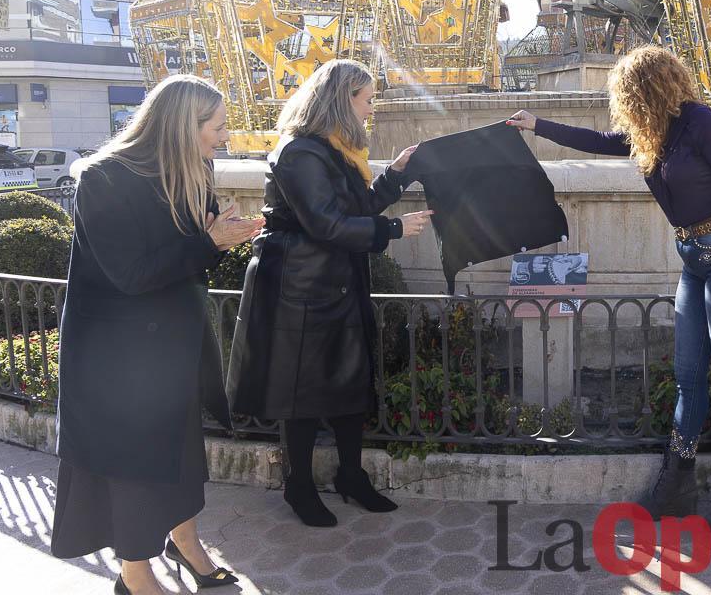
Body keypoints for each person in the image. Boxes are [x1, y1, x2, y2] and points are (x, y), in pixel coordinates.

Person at [507, 45, 711, 527]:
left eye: (626, 95)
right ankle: (676, 488)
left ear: (645, 90)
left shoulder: (701, 122)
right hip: (693, 260)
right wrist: (535, 124)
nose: (623, 107)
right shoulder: (654, 134)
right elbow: (600, 141)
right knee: (690, 376)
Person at [51, 75, 264, 595]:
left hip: (172, 347)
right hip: (117, 361)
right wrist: (210, 242)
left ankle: (187, 546)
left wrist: (221, 230)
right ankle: (135, 574)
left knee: (182, 455)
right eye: (216, 127)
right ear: (179, 126)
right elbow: (132, 275)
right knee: (137, 466)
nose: (224, 137)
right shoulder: (103, 178)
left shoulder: (192, 168)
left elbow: (186, 250)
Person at [227, 60, 432, 528]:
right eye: (365, 98)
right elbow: (326, 223)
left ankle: (351, 477)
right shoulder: (300, 152)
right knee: (299, 392)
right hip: (300, 287)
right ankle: (298, 487)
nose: (370, 108)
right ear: (342, 100)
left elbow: (354, 209)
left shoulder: (332, 150)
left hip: (333, 280)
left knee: (348, 384)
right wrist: (395, 229)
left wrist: (396, 174)